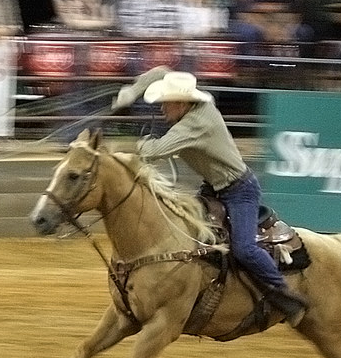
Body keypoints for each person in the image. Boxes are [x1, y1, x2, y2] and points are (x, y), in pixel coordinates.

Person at [113, 66, 309, 328]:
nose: (162, 109)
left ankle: (284, 295)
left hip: (240, 191)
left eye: (165, 104)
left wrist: (141, 143)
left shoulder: (195, 125)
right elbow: (161, 71)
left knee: (244, 248)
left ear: (182, 103)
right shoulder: (199, 106)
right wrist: (133, 90)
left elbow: (154, 151)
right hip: (214, 187)